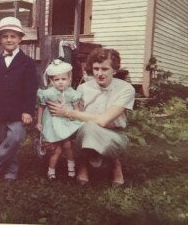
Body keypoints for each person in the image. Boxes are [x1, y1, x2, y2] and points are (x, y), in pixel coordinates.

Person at [48, 48, 135, 186]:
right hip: (85, 132)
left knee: (90, 126)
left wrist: (68, 113)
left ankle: (114, 162)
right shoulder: (83, 88)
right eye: (96, 69)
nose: (99, 73)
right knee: (86, 128)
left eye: (104, 69)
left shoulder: (126, 89)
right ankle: (83, 163)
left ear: (114, 70)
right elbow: (75, 119)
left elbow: (104, 120)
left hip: (113, 135)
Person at [0, 16, 38, 182]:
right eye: (5, 36)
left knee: (15, 138)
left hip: (18, 111)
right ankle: (11, 171)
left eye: (13, 36)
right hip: (0, 110)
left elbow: (31, 89)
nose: (9, 39)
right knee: (3, 141)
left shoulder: (27, 63)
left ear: (20, 39)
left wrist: (28, 110)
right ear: (0, 39)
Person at [36, 59, 83, 181]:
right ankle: (51, 171)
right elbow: (41, 107)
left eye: (63, 79)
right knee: (56, 150)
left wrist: (73, 117)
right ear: (51, 81)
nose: (60, 82)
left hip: (65, 122)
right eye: (57, 80)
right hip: (51, 123)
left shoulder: (72, 94)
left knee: (67, 145)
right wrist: (39, 122)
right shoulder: (48, 93)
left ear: (69, 79)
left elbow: (77, 110)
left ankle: (71, 169)